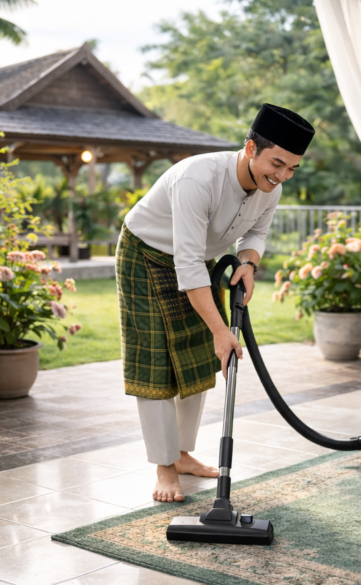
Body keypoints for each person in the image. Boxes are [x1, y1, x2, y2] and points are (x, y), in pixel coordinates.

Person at [116, 103, 315, 503]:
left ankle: (183, 454)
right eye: (277, 163)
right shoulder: (198, 178)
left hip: (196, 260)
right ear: (250, 148)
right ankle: (164, 466)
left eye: (292, 168)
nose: (281, 176)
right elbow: (187, 263)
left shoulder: (270, 187)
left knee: (199, 356)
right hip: (146, 255)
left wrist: (249, 263)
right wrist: (221, 331)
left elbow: (256, 233)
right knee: (156, 361)